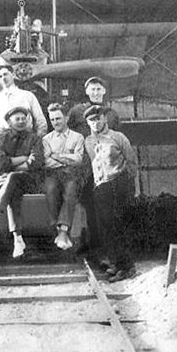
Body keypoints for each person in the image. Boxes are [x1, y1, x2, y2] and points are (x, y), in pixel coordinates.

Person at [66, 76, 121, 256]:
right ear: (86, 91)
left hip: (105, 165)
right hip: (85, 166)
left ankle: (107, 249)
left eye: (99, 89)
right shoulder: (76, 112)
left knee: (105, 206)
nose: (96, 92)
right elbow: (69, 134)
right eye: (92, 89)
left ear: (104, 91)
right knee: (88, 203)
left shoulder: (111, 114)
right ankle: (93, 243)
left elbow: (117, 139)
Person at [0, 106, 44, 258]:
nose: (21, 122)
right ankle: (18, 239)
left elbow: (36, 161)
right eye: (17, 119)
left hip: (31, 180)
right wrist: (24, 159)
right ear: (9, 121)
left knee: (12, 178)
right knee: (13, 189)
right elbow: (0, 164)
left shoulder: (34, 138)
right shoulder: (0, 139)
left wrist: (13, 165)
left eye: (24, 118)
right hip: (10, 182)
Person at [83, 105, 137, 282]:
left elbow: (131, 162)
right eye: (91, 120)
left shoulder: (118, 137)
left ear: (104, 119)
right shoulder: (88, 141)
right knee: (106, 226)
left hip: (118, 183)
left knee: (119, 224)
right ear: (87, 123)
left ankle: (127, 267)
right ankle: (116, 263)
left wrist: (129, 188)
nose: (95, 123)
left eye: (98, 118)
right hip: (101, 186)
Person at [42, 103, 85, 250]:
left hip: (71, 174)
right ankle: (60, 231)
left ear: (66, 118)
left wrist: (56, 156)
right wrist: (67, 158)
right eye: (52, 119)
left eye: (58, 118)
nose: (55, 122)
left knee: (71, 190)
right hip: (53, 174)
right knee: (51, 190)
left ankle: (62, 232)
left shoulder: (77, 137)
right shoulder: (46, 139)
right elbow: (47, 162)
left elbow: (78, 159)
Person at [0, 65, 48, 137]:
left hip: (25, 138)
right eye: (0, 76)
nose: (4, 78)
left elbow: (40, 119)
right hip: (3, 140)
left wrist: (38, 138)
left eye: (6, 74)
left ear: (13, 75)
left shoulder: (27, 95)